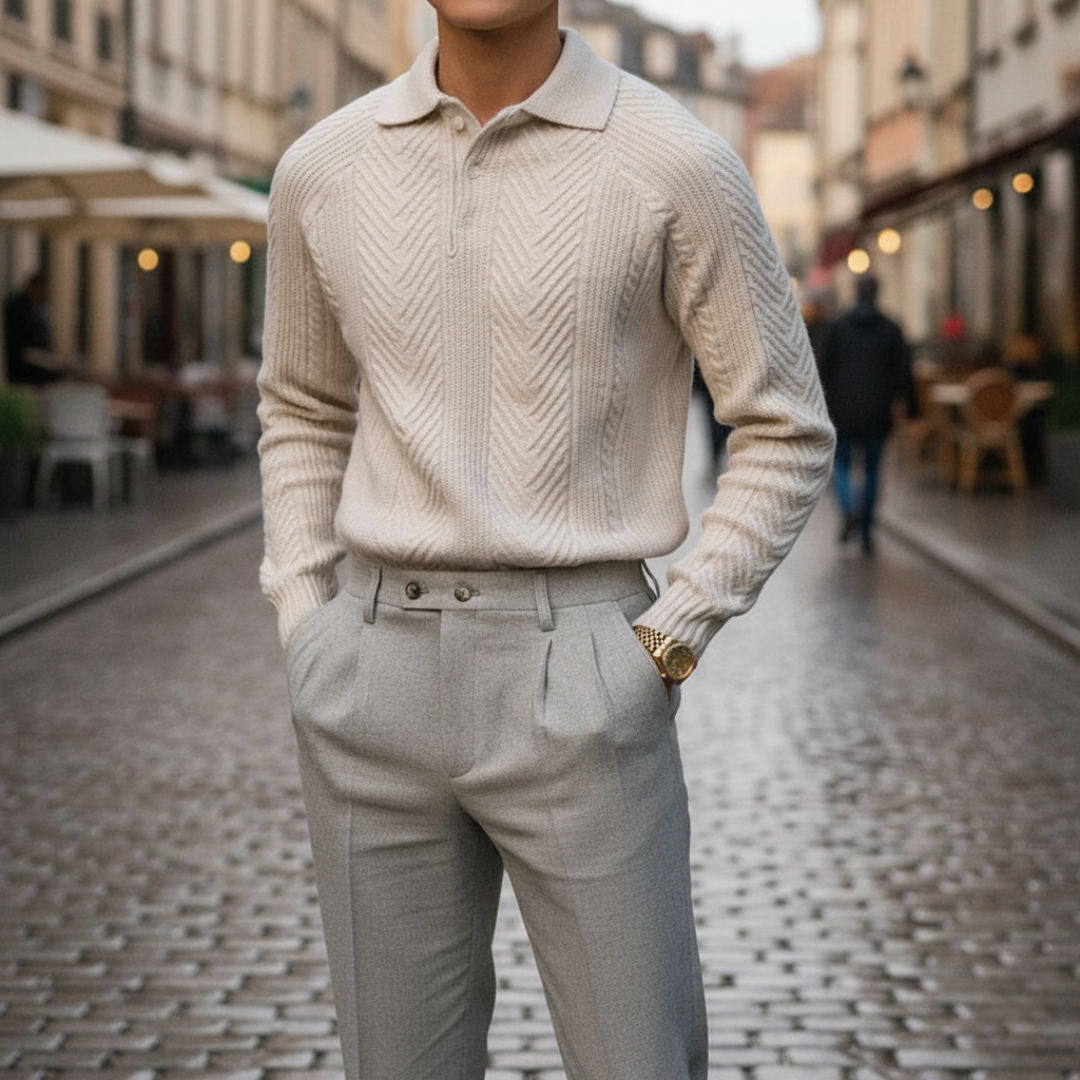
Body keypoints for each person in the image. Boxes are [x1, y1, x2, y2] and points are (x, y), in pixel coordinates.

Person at [256, 0, 835, 1076]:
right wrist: (305, 616)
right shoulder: (321, 169)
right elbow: (300, 405)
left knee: (638, 1061)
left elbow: (785, 428)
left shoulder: (677, 163)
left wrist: (666, 642)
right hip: (368, 674)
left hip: (583, 674)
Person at [817, 274, 914, 555]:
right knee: (872, 470)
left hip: (843, 410)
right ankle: (867, 527)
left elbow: (821, 368)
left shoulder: (836, 326)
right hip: (878, 410)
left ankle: (849, 509)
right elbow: (904, 374)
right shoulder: (891, 329)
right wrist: (911, 408)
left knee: (842, 464)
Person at [3, 272, 63, 387]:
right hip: (21, 364)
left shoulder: (37, 308)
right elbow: (20, 346)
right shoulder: (16, 308)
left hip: (37, 358)